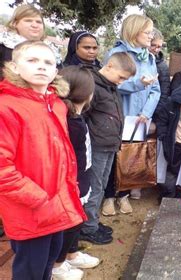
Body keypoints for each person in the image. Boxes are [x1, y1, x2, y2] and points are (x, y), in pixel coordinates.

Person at [0, 40, 86, 280]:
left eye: (48, 62)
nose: (41, 66)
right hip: (31, 208)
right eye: (32, 60)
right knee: (30, 270)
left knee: (48, 262)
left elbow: (62, 155)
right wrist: (38, 198)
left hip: (55, 205)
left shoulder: (55, 104)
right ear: (15, 67)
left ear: (56, 71)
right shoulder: (7, 107)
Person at [103, 14, 161, 207]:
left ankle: (124, 196)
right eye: (147, 32)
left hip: (140, 118)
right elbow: (112, 83)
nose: (151, 36)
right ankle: (109, 197)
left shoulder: (149, 58)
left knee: (131, 156)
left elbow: (155, 89)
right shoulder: (116, 53)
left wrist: (146, 113)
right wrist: (138, 83)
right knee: (114, 157)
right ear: (134, 31)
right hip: (118, 115)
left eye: (151, 32)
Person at [79, 52, 136, 244]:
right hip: (96, 145)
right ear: (110, 66)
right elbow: (83, 116)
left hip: (109, 144)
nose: (121, 82)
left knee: (102, 185)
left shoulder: (110, 86)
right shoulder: (92, 85)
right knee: (94, 187)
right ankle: (88, 228)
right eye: (121, 77)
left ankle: (92, 222)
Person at [52, 66, 100, 279]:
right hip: (73, 182)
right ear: (88, 94)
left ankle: (71, 254)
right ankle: (57, 264)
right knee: (70, 223)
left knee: (76, 220)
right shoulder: (70, 122)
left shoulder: (76, 118)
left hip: (82, 177)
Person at [0, 4, 61, 78]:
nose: (35, 25)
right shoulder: (3, 46)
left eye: (38, 22)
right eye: (28, 21)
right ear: (15, 24)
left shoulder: (52, 51)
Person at [149, 28, 170, 109]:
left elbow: (164, 93)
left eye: (159, 47)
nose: (156, 49)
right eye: (153, 45)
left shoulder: (163, 67)